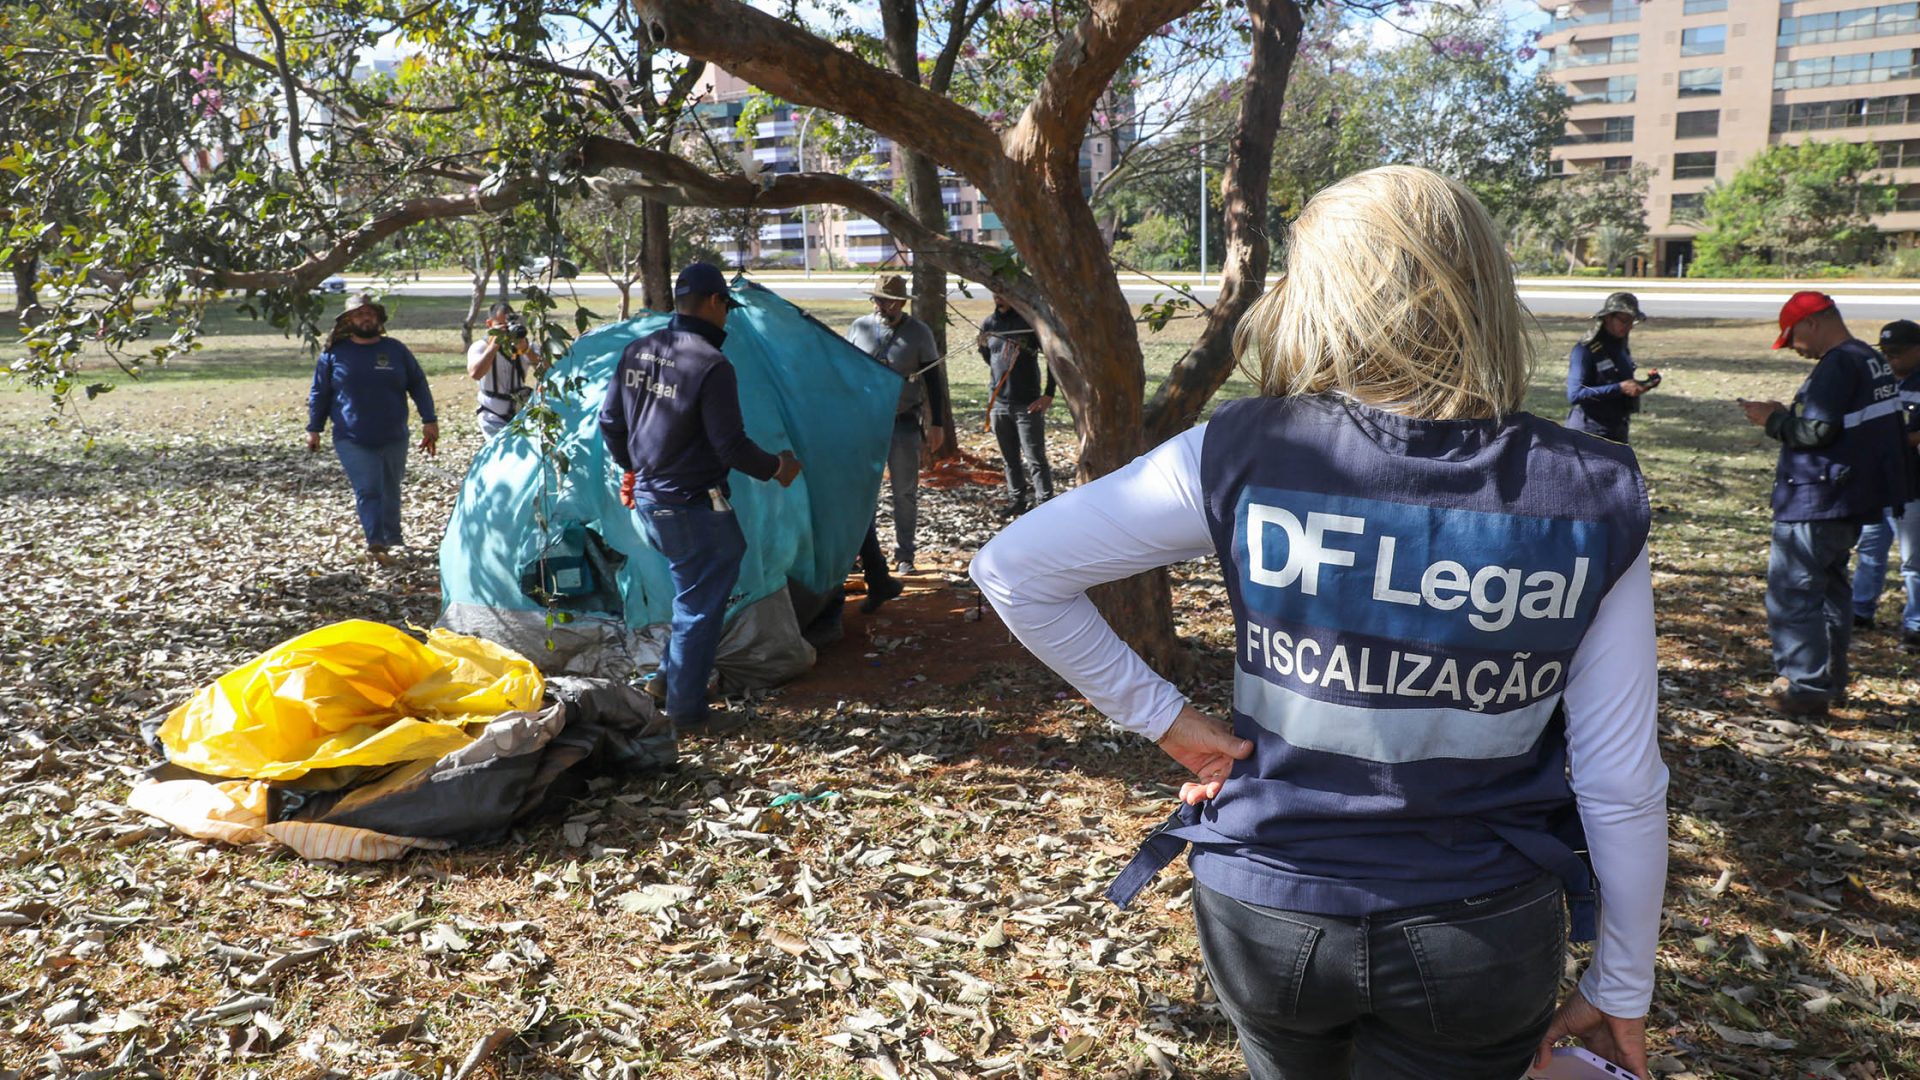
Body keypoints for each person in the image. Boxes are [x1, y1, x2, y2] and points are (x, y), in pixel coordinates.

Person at [972, 167, 1667, 1080]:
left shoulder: (1245, 450)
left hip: (1267, 910)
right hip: (1480, 929)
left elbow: (1015, 570)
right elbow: (1621, 782)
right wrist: (1622, 982)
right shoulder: (1590, 490)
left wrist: (1170, 724)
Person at [597, 263, 802, 732]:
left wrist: (633, 467)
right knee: (700, 604)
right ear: (713, 301)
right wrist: (778, 468)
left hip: (651, 501)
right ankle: (686, 714)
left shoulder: (638, 349)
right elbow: (731, 446)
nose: (727, 315)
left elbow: (610, 422)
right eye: (727, 305)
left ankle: (666, 680)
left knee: (696, 592)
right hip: (690, 503)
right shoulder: (711, 363)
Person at [1742, 291, 1910, 715]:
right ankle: (1829, 681)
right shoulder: (1869, 359)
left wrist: (1771, 420)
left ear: (1812, 323)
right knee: (1832, 592)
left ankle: (1803, 689)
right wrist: (1788, 414)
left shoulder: (1838, 363)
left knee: (1794, 594)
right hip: (1850, 499)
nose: (1794, 348)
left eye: (1792, 337)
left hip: (1816, 497)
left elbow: (1817, 432)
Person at [305, 293, 438, 565]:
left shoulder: (395, 350)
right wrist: (314, 428)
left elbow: (418, 383)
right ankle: (375, 541)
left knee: (391, 489)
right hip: (352, 436)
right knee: (368, 488)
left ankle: (394, 539)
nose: (365, 318)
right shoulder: (334, 354)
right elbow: (320, 392)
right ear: (348, 321)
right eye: (359, 313)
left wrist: (429, 419)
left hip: (394, 434)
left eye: (370, 313)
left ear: (378, 318)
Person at [846, 274, 951, 574]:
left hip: (903, 421)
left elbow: (933, 380)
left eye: (888, 301)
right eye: (877, 299)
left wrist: (937, 423)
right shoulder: (860, 327)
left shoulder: (919, 333)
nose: (881, 305)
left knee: (904, 492)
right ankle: (862, 553)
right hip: (866, 424)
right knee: (863, 491)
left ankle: (905, 554)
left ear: (902, 303)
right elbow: (846, 372)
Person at [1849, 319, 1920, 650]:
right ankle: (1860, 610)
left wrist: (1896, 441)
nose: (1891, 358)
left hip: (1913, 484)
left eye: (1898, 352)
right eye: (1886, 352)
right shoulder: (1880, 380)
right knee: (1869, 549)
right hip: (1878, 481)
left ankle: (1915, 624)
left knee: (1913, 560)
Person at [978, 293, 1056, 514]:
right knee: (1009, 458)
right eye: (995, 293)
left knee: (1035, 459)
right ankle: (1017, 502)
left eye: (1003, 293)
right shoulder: (989, 324)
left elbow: (1052, 357)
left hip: (1027, 403)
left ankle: (1046, 506)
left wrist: (1048, 394)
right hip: (999, 403)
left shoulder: (1028, 322)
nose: (999, 298)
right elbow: (988, 356)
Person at [1566, 291, 1659, 443]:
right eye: (1624, 321)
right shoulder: (1585, 350)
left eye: (1632, 321)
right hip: (1589, 432)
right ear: (1608, 317)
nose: (1629, 327)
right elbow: (1575, 394)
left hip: (1617, 430)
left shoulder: (1621, 346)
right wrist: (1620, 388)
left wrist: (1645, 384)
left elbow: (1621, 382)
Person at [467, 301, 542, 439]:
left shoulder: (525, 345)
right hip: (491, 415)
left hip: (520, 413)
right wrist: (494, 345)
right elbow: (475, 373)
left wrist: (526, 350)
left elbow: (549, 372)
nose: (507, 331)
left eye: (510, 326)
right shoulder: (480, 346)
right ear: (489, 324)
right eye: (502, 326)